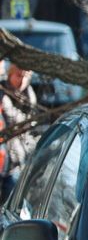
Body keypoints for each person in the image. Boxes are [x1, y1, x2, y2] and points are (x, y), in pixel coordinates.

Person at [0, 61, 39, 202]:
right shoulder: (2, 92)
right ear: (10, 74)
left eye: (25, 76)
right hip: (4, 157)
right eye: (18, 76)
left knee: (12, 201)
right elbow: (12, 120)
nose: (22, 80)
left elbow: (31, 124)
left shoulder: (29, 96)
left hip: (17, 160)